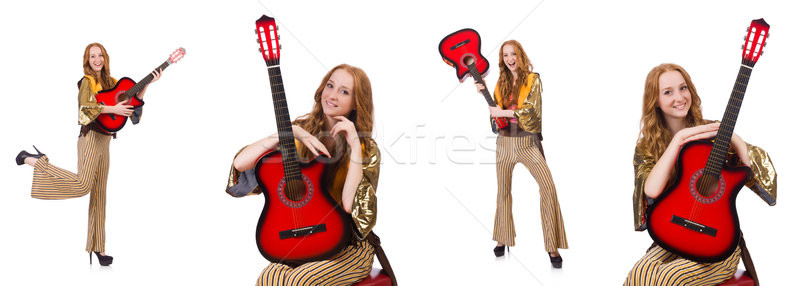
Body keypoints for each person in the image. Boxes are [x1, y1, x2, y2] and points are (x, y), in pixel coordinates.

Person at [227, 64, 383, 285]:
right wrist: (285, 133)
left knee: (301, 281)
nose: (332, 95)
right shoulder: (300, 132)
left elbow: (350, 205)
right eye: (330, 85)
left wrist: (355, 145)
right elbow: (240, 164)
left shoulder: (366, 148)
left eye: (344, 91)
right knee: (268, 278)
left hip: (348, 246)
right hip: (301, 242)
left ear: (357, 102)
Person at [624, 63, 777, 285]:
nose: (679, 97)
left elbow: (758, 171)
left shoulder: (716, 135)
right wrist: (679, 139)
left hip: (717, 243)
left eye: (683, 88)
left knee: (669, 278)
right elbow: (650, 189)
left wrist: (734, 137)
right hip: (672, 236)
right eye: (668, 92)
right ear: (655, 100)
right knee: (639, 274)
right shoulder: (646, 146)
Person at [15, 42, 163, 266]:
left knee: (99, 195)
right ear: (87, 60)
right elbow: (85, 108)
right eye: (92, 56)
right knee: (84, 185)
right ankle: (37, 161)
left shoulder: (113, 82)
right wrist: (113, 109)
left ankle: (99, 248)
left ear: (105, 58)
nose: (97, 59)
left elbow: (131, 105)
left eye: (100, 55)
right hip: (89, 138)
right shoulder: (87, 81)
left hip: (106, 141)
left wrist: (148, 84)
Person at [475, 40, 568, 268]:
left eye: (513, 53)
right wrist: (484, 92)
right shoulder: (501, 82)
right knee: (503, 192)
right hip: (504, 144)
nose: (510, 59)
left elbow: (532, 111)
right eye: (505, 55)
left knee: (548, 187)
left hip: (527, 143)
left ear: (520, 55)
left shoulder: (533, 79)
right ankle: (502, 239)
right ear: (502, 59)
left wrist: (504, 111)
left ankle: (551, 245)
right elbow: (496, 116)